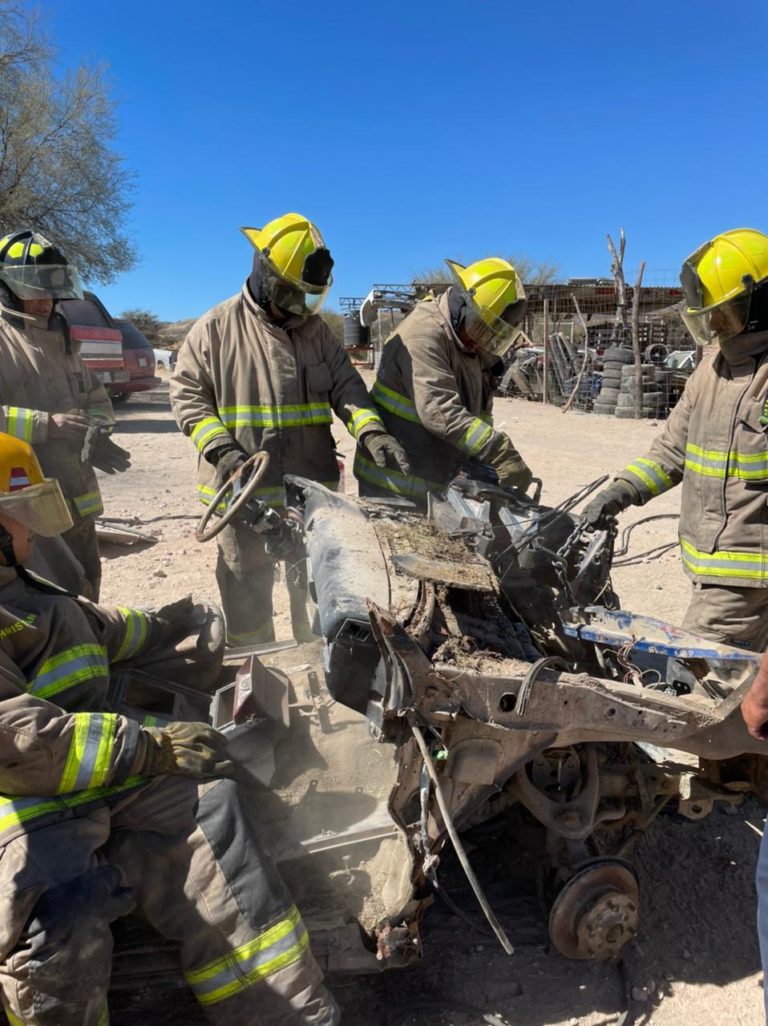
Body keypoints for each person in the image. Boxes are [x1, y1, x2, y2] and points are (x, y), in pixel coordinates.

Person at [0, 431, 338, 1026]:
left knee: (210, 805)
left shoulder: (16, 591)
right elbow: (19, 745)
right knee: (63, 925)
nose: (32, 533)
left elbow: (86, 625)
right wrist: (151, 747)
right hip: (20, 805)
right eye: (20, 520)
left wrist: (165, 626)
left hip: (76, 777)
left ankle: (291, 1017)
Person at [171, 212, 408, 647]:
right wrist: (222, 449)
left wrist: (372, 431)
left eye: (307, 298)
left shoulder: (316, 334)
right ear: (263, 274)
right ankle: (257, 670)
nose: (298, 307)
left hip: (308, 494)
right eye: (289, 293)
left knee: (321, 591)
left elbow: (348, 388)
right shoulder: (216, 329)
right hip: (242, 496)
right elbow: (188, 397)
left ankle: (323, 670)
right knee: (246, 592)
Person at [585, 228, 768, 651]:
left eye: (727, 314)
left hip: (746, 579)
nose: (718, 327)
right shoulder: (711, 370)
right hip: (713, 569)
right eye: (712, 316)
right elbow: (671, 450)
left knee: (700, 686)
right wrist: (621, 491)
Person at [0, 230, 130, 600]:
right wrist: (47, 426)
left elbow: (96, 398)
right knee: (38, 601)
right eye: (34, 288)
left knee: (86, 587)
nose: (45, 300)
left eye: (51, 288)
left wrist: (97, 431)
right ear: (7, 285)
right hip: (18, 510)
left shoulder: (64, 340)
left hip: (76, 503)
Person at [353, 256, 534, 506]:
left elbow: (478, 416)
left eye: (493, 334)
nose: (484, 340)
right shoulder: (423, 335)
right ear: (463, 306)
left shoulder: (470, 345)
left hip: (434, 483)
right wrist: (497, 449)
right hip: (393, 483)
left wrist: (481, 464)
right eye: (481, 328)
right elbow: (440, 411)